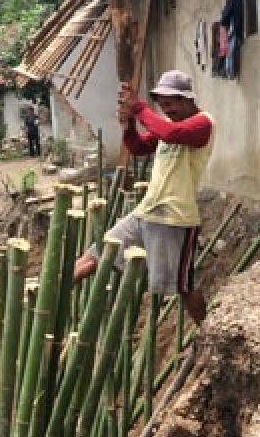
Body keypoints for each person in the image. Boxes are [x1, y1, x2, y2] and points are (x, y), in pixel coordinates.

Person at [72, 70, 214, 327]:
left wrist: (138, 107)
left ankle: (209, 333)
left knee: (183, 286)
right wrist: (127, 126)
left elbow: (170, 134)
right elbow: (138, 148)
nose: (166, 110)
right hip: (145, 211)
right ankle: (50, 291)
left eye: (170, 104)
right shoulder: (169, 128)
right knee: (100, 252)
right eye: (162, 106)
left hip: (175, 218)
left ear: (185, 99)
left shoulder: (202, 123)